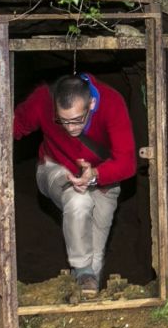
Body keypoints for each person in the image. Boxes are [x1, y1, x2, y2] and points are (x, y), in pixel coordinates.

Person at [11, 72, 136, 299]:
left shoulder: (112, 103)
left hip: (103, 180)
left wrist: (95, 174)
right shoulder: (42, 101)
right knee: (79, 200)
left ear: (92, 104)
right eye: (63, 120)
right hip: (56, 169)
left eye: (78, 120)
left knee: (95, 260)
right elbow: (12, 126)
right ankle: (82, 269)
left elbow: (127, 162)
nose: (70, 128)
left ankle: (84, 298)